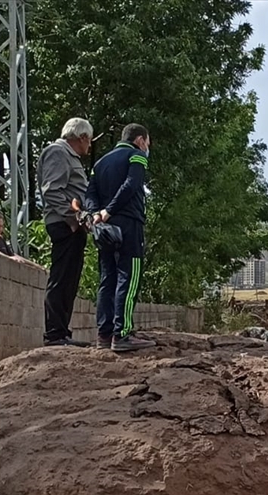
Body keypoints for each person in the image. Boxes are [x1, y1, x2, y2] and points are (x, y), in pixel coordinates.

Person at [85, 123, 155, 352]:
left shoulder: (100, 163)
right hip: (128, 223)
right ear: (140, 140)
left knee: (108, 278)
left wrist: (96, 214)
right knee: (129, 275)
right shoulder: (137, 156)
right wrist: (110, 210)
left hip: (104, 227)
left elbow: (90, 193)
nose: (147, 147)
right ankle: (122, 334)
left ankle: (104, 334)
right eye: (148, 143)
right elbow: (132, 184)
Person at [38, 117, 94, 347]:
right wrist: (73, 218)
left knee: (70, 279)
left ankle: (62, 332)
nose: (89, 146)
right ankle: (55, 334)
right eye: (89, 140)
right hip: (65, 224)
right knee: (61, 278)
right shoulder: (58, 152)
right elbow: (51, 190)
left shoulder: (69, 156)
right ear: (82, 137)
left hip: (73, 225)